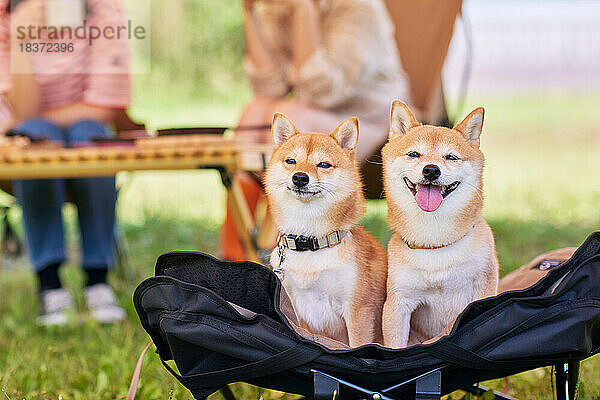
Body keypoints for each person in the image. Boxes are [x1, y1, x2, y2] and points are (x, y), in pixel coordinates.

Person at [222, 0, 410, 260]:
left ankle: (280, 255)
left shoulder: (360, 8)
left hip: (371, 125)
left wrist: (304, 10)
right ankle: (234, 257)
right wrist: (249, 12)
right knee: (254, 111)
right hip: (313, 118)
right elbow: (268, 89)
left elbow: (320, 91)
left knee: (293, 115)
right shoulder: (276, 8)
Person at [0, 0, 130, 325]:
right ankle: (50, 284)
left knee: (89, 134)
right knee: (36, 137)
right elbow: (24, 113)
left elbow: (102, 108)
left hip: (85, 129)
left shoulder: (104, 10)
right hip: (24, 135)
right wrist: (20, 36)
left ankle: (97, 279)